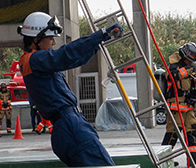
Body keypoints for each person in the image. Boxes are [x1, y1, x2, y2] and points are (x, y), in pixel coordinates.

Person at [17, 11, 121, 166]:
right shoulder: (35, 59)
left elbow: (74, 59)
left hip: (65, 126)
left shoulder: (34, 61)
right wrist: (101, 34)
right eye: (50, 38)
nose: (53, 42)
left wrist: (98, 42)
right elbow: (67, 54)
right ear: (36, 39)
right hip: (70, 125)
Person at [161, 42, 196, 166]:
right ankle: (164, 159)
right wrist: (189, 70)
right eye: (189, 61)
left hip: (187, 105)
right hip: (175, 106)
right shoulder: (173, 66)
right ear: (184, 56)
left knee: (191, 130)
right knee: (173, 133)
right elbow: (173, 77)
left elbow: (187, 82)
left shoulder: (187, 68)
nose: (191, 63)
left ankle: (193, 157)